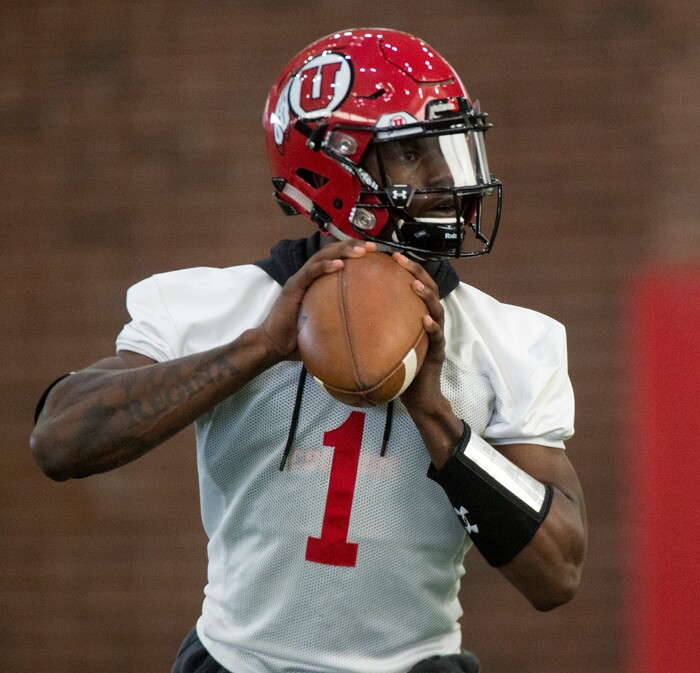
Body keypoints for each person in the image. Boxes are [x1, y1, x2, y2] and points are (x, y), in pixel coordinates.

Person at [30, 28, 587, 673]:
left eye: (451, 150)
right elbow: (59, 440)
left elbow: (559, 573)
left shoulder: (511, 338)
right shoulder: (218, 307)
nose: (446, 181)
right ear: (329, 168)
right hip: (238, 662)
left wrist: (435, 414)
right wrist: (260, 348)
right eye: (411, 154)